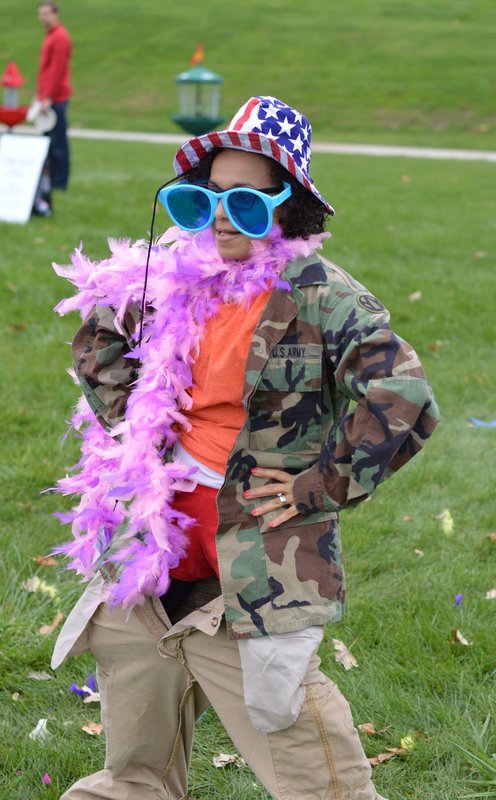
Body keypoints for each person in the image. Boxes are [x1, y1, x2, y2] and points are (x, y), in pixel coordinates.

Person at [51, 96, 440, 800]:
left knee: (296, 735)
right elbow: (99, 337)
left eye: (246, 201)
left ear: (289, 207)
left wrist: (316, 486)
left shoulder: (322, 298)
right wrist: (138, 433)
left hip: (257, 560)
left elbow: (404, 397)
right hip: (154, 547)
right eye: (206, 196)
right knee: (134, 735)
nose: (223, 215)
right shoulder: (172, 275)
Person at [33, 2, 72, 216]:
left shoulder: (59, 36)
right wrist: (39, 95)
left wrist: (48, 96)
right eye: (40, 14)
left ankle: (58, 183)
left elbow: (57, 70)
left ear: (55, 14)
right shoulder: (50, 35)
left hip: (56, 99)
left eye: (46, 13)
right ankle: (50, 181)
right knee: (49, 143)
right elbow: (45, 71)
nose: (43, 17)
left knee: (57, 144)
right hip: (48, 98)